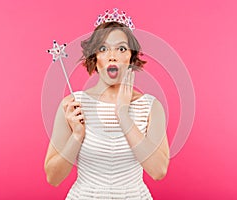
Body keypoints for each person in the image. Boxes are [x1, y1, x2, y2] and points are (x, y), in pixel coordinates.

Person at [44, 8, 170, 199]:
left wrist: (123, 115)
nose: (112, 56)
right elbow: (53, 177)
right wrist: (77, 135)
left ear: (131, 57)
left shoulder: (152, 107)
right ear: (95, 58)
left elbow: (158, 171)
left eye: (121, 48)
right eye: (103, 48)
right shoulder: (73, 106)